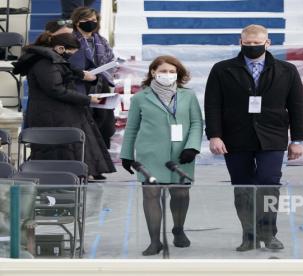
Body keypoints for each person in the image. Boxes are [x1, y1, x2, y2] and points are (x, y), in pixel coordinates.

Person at [204, 24, 303, 251]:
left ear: (267, 43)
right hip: (235, 136)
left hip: (272, 136)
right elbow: (212, 105)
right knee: (242, 188)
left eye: (257, 43)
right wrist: (215, 135)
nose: (252, 47)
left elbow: (296, 106)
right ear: (240, 42)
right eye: (247, 43)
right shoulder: (222, 69)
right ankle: (248, 234)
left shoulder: (287, 70)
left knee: (269, 184)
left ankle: (269, 234)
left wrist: (297, 140)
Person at [120, 55, 203, 256]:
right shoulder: (141, 97)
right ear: (153, 73)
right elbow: (131, 128)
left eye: (172, 71)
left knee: (180, 194)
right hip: (149, 154)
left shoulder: (188, 95)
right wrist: (127, 154)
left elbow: (196, 123)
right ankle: (155, 241)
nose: (168, 75)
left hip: (181, 154)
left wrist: (192, 147)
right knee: (151, 194)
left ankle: (178, 229)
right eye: (163, 71)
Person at [12, 32, 116, 177]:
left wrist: (81, 75)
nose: (71, 57)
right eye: (71, 53)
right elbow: (56, 89)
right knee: (61, 149)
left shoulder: (48, 59)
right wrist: (87, 99)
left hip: (55, 113)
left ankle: (75, 176)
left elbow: (63, 72)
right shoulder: (45, 62)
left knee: (67, 148)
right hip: (51, 114)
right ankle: (68, 177)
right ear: (61, 48)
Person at [69, 7, 116, 180]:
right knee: (86, 126)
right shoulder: (71, 39)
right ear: (77, 21)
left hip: (101, 85)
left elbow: (110, 59)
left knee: (104, 124)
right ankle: (85, 167)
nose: (91, 22)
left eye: (94, 19)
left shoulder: (101, 40)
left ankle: (98, 167)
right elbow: (68, 63)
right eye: (87, 19)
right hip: (80, 87)